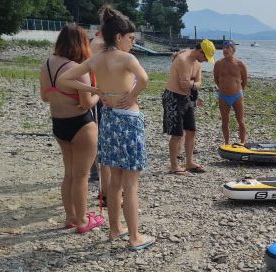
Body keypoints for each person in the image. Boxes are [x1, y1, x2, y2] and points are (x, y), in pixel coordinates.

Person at [58, 5, 155, 251]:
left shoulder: (97, 59)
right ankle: (135, 237)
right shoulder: (127, 58)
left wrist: (96, 91)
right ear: (119, 37)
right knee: (131, 183)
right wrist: (132, 95)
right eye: (131, 38)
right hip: (128, 120)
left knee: (113, 181)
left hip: (109, 119)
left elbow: (63, 80)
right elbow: (144, 80)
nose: (133, 42)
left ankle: (115, 230)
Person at [39, 23, 104, 233]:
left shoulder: (47, 64)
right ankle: (83, 221)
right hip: (81, 125)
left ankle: (71, 217)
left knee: (69, 173)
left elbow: (44, 96)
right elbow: (86, 103)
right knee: (82, 175)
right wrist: (98, 94)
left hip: (59, 124)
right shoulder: (76, 69)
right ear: (81, 43)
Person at [162, 40, 215, 176]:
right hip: (173, 97)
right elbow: (183, 85)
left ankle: (189, 162)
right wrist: (193, 83)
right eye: (205, 57)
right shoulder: (183, 59)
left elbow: (197, 83)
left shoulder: (197, 62)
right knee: (177, 133)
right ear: (200, 51)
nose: (205, 61)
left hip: (187, 98)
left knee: (191, 131)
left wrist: (191, 84)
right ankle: (174, 166)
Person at [88, 30, 110, 205]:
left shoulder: (93, 43)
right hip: (99, 95)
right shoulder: (100, 44)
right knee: (101, 139)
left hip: (97, 93)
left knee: (97, 137)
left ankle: (96, 175)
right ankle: (104, 187)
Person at [213, 41, 248, 145]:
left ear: (233, 50)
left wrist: (237, 89)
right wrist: (224, 88)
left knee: (241, 121)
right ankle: (227, 143)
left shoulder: (240, 64)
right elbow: (216, 79)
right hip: (223, 96)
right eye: (224, 47)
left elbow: (245, 81)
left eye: (228, 47)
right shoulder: (218, 64)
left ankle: (242, 142)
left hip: (237, 96)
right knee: (224, 121)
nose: (225, 50)